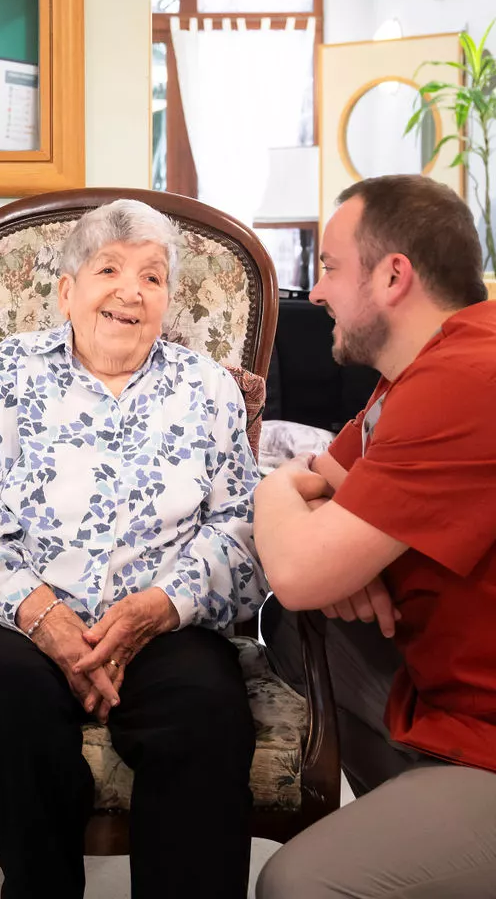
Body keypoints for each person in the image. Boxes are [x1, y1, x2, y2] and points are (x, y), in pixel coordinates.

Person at [0, 198, 266, 899]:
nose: (130, 290)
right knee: (10, 700)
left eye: (152, 277)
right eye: (109, 268)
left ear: (167, 300)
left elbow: (240, 528)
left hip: (163, 625)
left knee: (206, 714)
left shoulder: (207, 389)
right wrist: (42, 615)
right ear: (66, 291)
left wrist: (159, 607)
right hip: (14, 622)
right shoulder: (11, 372)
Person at [254, 174, 496, 898]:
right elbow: (319, 479)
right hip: (456, 701)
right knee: (291, 624)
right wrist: (341, 558)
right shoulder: (411, 376)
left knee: (295, 885)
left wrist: (277, 497)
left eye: (329, 267)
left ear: (395, 276)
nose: (317, 292)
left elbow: (295, 555)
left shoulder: (468, 379)